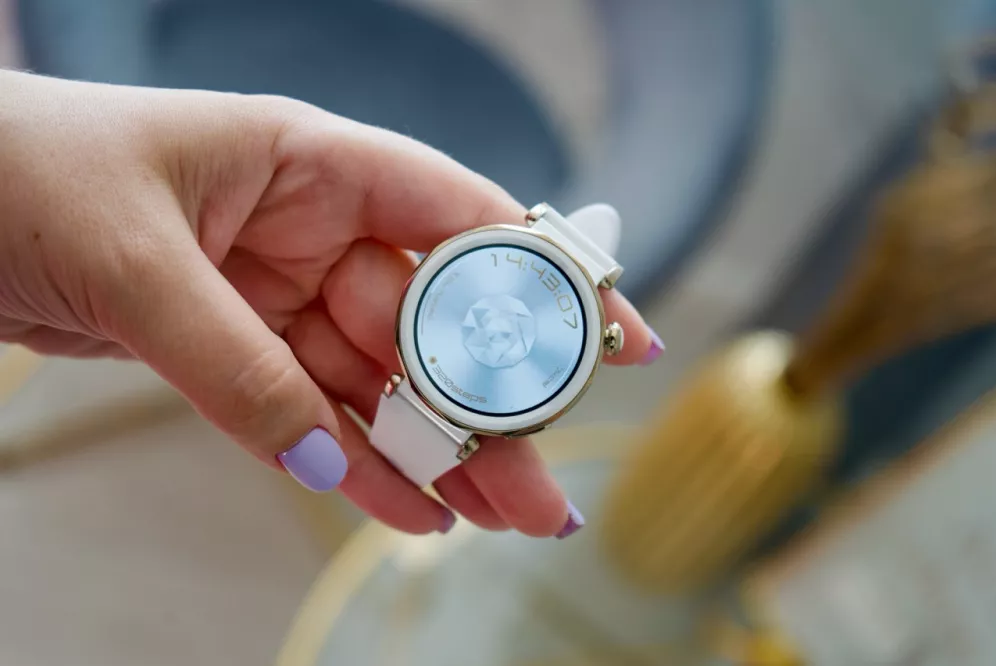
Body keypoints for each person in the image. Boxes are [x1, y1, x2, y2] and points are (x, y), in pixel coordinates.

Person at [0, 69, 663, 540]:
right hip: (430, 374)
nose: (493, 333)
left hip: (438, 381)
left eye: (505, 335)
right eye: (493, 323)